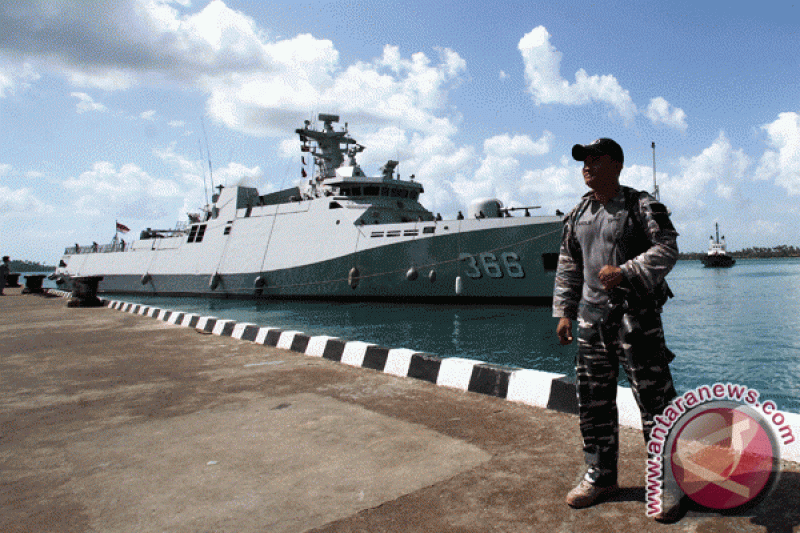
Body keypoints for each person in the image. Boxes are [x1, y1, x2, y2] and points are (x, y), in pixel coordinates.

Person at [553, 138, 680, 522]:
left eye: (596, 159)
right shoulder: (578, 213)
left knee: (655, 404)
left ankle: (667, 481)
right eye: (584, 161)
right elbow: (568, 264)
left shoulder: (640, 205)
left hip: (636, 319)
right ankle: (600, 475)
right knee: (593, 402)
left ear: (617, 164)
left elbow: (668, 247)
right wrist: (563, 311)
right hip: (592, 323)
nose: (587, 166)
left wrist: (627, 271)